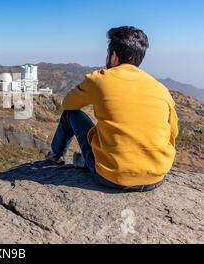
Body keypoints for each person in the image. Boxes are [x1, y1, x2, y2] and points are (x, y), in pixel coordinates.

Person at [46, 26, 178, 192]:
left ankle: (55, 157)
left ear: (114, 56)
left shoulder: (100, 79)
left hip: (111, 177)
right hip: (156, 178)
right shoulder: (161, 89)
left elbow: (67, 105)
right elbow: (173, 132)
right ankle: (88, 161)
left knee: (71, 115)